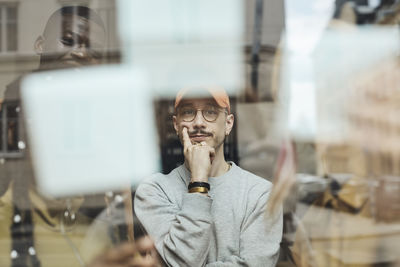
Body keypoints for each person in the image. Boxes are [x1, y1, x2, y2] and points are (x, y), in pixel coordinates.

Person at [134, 86, 283, 266]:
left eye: (210, 112)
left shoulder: (261, 193)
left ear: (228, 123)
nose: (198, 122)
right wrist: (198, 181)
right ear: (176, 124)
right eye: (188, 112)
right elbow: (184, 260)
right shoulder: (153, 191)